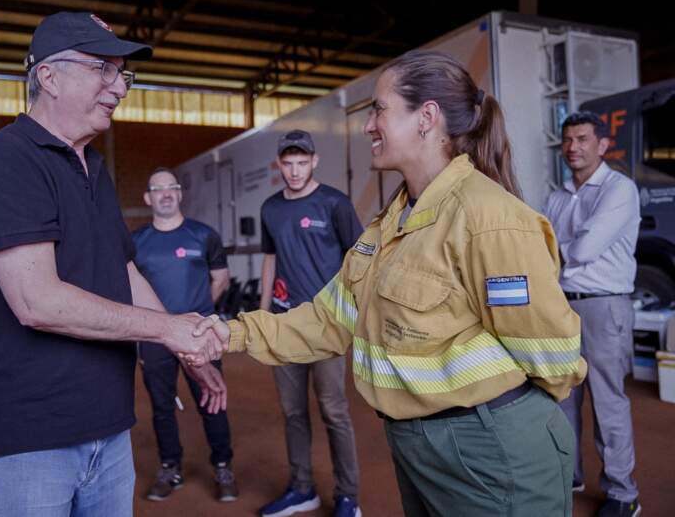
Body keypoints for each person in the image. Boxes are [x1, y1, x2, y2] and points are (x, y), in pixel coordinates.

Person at [197, 50, 587, 517]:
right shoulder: (388, 226)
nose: (367, 126)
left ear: (426, 117)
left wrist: (499, 423)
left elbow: (553, 356)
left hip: (490, 451)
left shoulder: (489, 218)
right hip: (418, 443)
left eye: (379, 109)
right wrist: (228, 331)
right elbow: (329, 318)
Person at [0, 11, 227, 517]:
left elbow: (124, 272)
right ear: (49, 77)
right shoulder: (6, 158)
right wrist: (169, 329)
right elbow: (37, 301)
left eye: (124, 74)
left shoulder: (93, 167)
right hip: (28, 439)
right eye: (103, 68)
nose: (120, 87)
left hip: (107, 428)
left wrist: (193, 353)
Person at [257, 129, 362, 517]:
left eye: (302, 163)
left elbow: (360, 259)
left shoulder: (335, 203)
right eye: (288, 163)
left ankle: (348, 496)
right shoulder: (271, 208)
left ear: (315, 162)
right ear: (279, 164)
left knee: (334, 411)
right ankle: (302, 488)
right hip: (285, 323)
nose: (295, 171)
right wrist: (264, 315)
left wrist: (351, 312)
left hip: (327, 325)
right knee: (292, 412)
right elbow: (269, 259)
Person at [544, 111, 642, 517]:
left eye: (582, 139)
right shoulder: (557, 195)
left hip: (604, 306)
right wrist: (562, 248)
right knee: (562, 397)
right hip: (562, 304)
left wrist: (559, 248)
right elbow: (545, 249)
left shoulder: (619, 189)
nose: (573, 147)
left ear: (602, 145)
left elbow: (581, 249)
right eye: (567, 140)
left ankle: (623, 493)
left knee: (607, 402)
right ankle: (569, 474)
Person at [131, 167, 239, 503]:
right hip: (155, 339)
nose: (165, 193)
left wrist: (199, 315)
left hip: (200, 335)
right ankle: (170, 467)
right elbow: (131, 288)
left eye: (172, 187)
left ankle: (222, 466)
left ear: (179, 194)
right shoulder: (135, 243)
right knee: (162, 406)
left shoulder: (203, 235)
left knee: (212, 401)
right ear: (148, 198)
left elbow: (220, 279)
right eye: (157, 189)